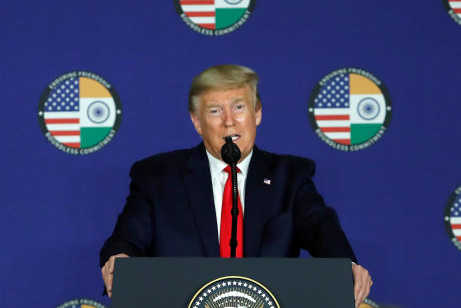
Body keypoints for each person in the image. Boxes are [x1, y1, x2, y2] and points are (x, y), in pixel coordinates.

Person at [100, 64, 372, 306]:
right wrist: (119, 259)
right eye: (215, 111)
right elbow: (127, 239)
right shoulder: (157, 177)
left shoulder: (291, 176)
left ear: (257, 113)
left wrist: (344, 266)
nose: (229, 120)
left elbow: (319, 226)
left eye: (239, 107)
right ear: (197, 122)